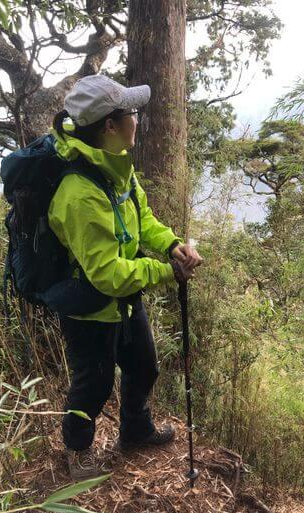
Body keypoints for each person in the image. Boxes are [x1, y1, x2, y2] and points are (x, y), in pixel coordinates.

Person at [48, 74, 203, 480]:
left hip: (125, 299)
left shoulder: (118, 168)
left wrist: (172, 245)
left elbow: (143, 219)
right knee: (92, 384)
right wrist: (167, 272)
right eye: (131, 113)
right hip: (89, 306)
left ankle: (135, 430)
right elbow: (107, 274)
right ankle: (77, 449)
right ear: (109, 126)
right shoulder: (79, 193)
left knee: (144, 365)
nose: (139, 119)